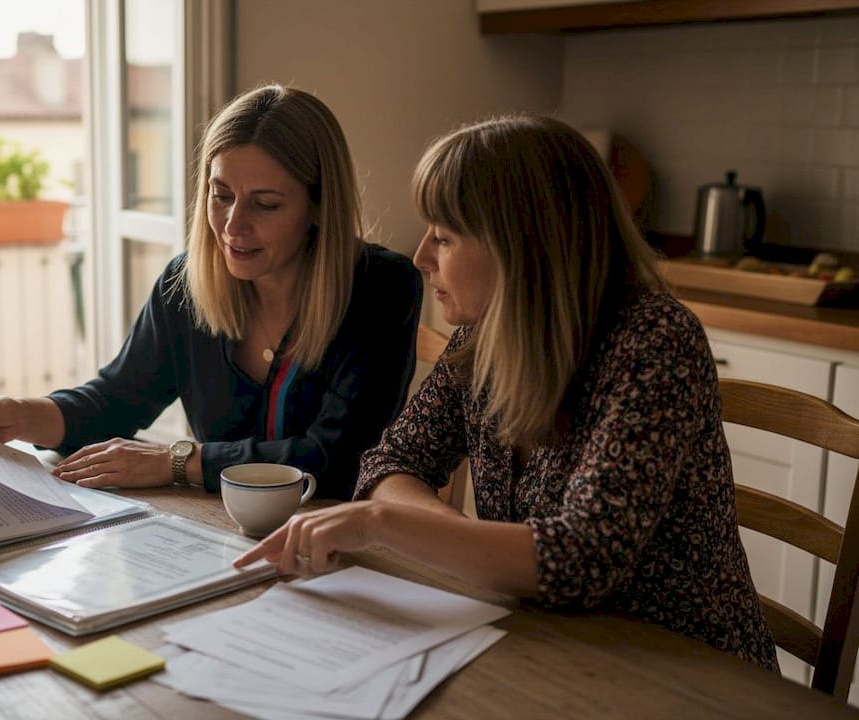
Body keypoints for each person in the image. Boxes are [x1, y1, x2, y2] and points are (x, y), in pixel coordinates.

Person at [235, 114, 779, 671]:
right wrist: (463, 544)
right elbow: (390, 463)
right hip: (545, 645)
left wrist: (384, 525)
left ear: (521, 245)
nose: (421, 257)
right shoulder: (481, 338)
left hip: (684, 672)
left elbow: (581, 560)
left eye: (444, 237)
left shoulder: (655, 342)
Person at [0, 84, 422, 500]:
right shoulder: (187, 283)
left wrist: (175, 462)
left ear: (318, 206)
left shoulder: (381, 288)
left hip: (335, 545)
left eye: (265, 204)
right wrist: (22, 415)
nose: (233, 226)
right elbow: (117, 400)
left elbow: (339, 459)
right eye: (221, 195)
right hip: (218, 534)